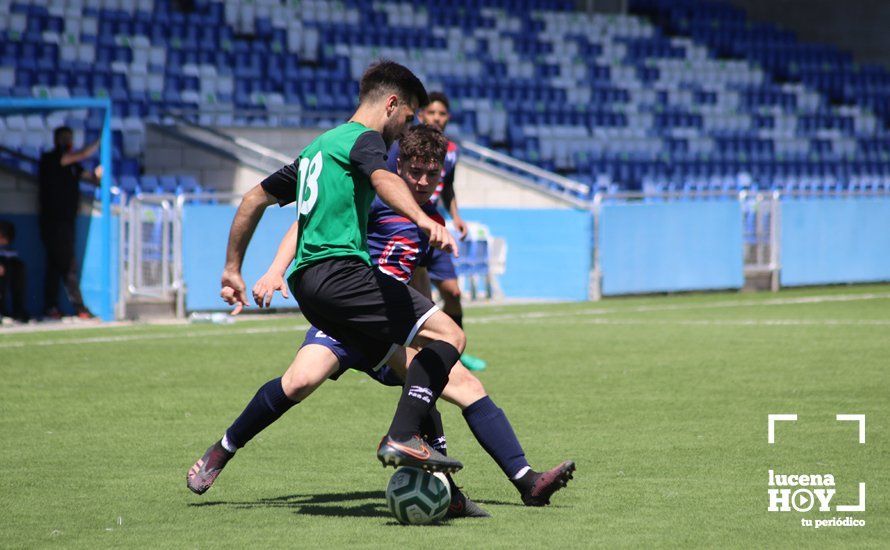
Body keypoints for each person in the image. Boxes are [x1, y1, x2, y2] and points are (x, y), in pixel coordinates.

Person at [186, 125, 574, 514]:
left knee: (460, 383)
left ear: (443, 173)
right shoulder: (375, 195)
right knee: (299, 381)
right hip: (347, 309)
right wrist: (274, 270)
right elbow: (303, 224)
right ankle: (222, 449)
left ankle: (524, 480)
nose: (423, 182)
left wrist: (428, 324)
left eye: (432, 174)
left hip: (388, 324)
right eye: (415, 171)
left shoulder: (429, 221)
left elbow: (417, 278)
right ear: (399, 164)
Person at [214, 60, 462, 474]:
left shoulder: (319, 149)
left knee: (310, 380)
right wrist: (422, 219)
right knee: (449, 337)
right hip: (345, 277)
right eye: (409, 114)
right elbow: (384, 180)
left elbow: (252, 199)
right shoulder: (366, 141)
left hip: (311, 287)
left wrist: (233, 268)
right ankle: (408, 441)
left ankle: (222, 448)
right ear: (392, 103)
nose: (409, 124)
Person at [385, 92, 487, 371]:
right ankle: (430, 353)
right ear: (421, 115)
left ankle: (455, 348)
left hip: (434, 221)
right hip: (408, 224)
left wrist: (456, 216)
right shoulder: (403, 147)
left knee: (452, 292)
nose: (437, 118)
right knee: (421, 290)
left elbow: (449, 187)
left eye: (442, 114)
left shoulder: (450, 151)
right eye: (432, 113)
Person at [37, 126, 101, 320]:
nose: (68, 141)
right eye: (66, 138)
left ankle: (52, 306)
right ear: (57, 139)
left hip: (67, 221)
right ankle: (78, 308)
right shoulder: (51, 158)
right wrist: (100, 141)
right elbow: (80, 155)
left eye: (70, 137)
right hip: (53, 222)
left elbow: (89, 178)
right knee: (66, 264)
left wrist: (97, 175)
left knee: (57, 265)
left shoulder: (73, 165)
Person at [0, 220, 29, 324]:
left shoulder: (7, 248)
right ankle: (1, 312)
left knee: (18, 268)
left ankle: (18, 311)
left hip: (6, 267)